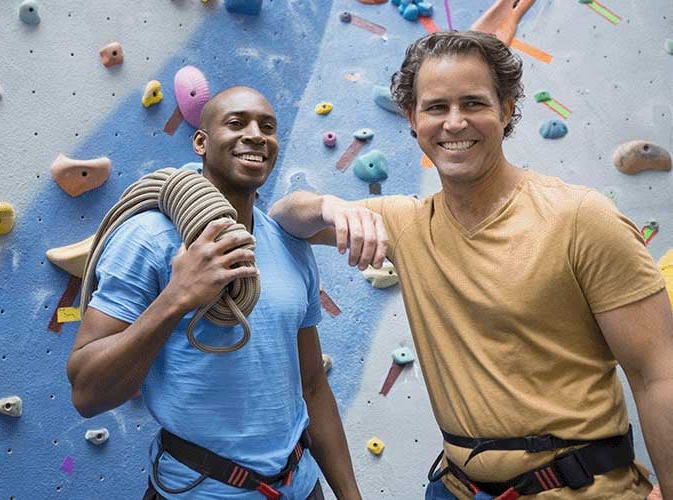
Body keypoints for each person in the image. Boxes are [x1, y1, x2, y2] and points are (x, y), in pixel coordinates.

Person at [269, 31, 673, 499]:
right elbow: (283, 219)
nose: (454, 123)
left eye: (474, 104)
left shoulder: (580, 218)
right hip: (454, 488)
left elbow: (657, 372)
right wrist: (330, 205)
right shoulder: (405, 223)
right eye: (436, 107)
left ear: (505, 110)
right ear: (412, 119)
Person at [67, 86, 362, 499]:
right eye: (237, 123)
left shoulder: (289, 245)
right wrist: (177, 297)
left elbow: (312, 385)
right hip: (202, 489)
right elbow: (87, 394)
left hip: (301, 485)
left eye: (268, 127)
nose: (257, 135)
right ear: (201, 142)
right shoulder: (148, 239)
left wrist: (349, 494)